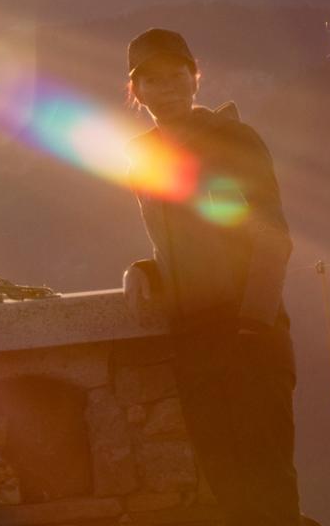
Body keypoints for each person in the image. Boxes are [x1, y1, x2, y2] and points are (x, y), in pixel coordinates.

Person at [124, 28, 305, 526]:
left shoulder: (232, 140)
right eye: (153, 80)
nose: (168, 87)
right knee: (226, 485)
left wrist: (253, 324)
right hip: (194, 339)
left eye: (177, 75)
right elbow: (181, 242)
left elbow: (271, 235)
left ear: (195, 76)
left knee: (268, 484)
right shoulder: (143, 156)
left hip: (249, 334)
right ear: (136, 91)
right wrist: (146, 268)